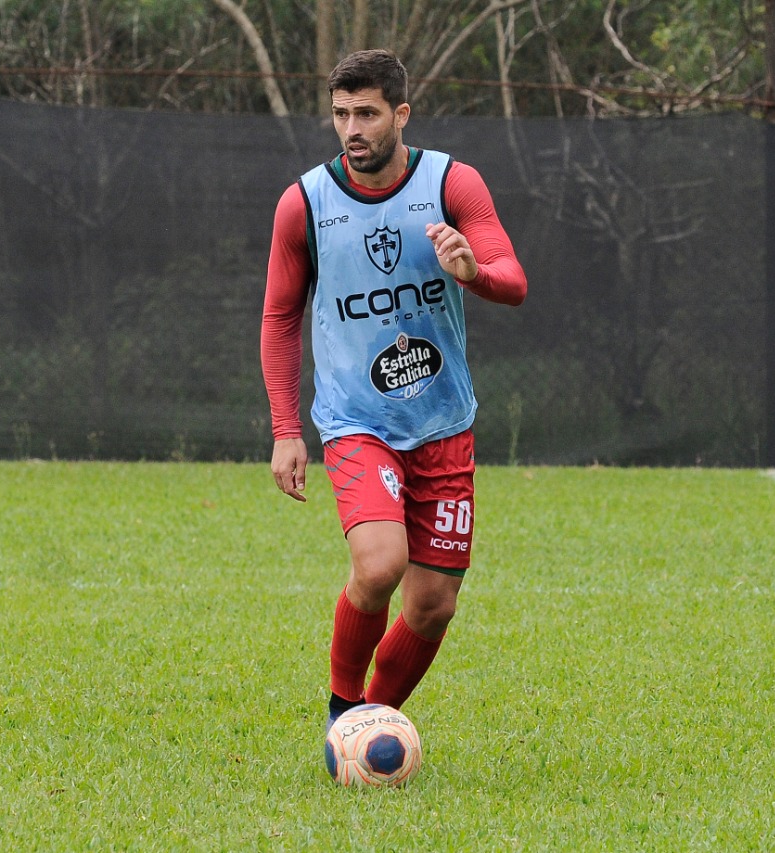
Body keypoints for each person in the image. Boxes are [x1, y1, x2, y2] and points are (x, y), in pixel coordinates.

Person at [260, 48, 527, 730]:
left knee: (434, 603)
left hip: (442, 424)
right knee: (380, 566)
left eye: (368, 114)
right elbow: (280, 317)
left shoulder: (451, 185)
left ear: (400, 114)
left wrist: (473, 272)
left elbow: (512, 279)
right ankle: (343, 710)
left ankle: (372, 725)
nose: (352, 128)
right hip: (357, 420)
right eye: (342, 113)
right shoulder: (305, 204)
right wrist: (286, 429)